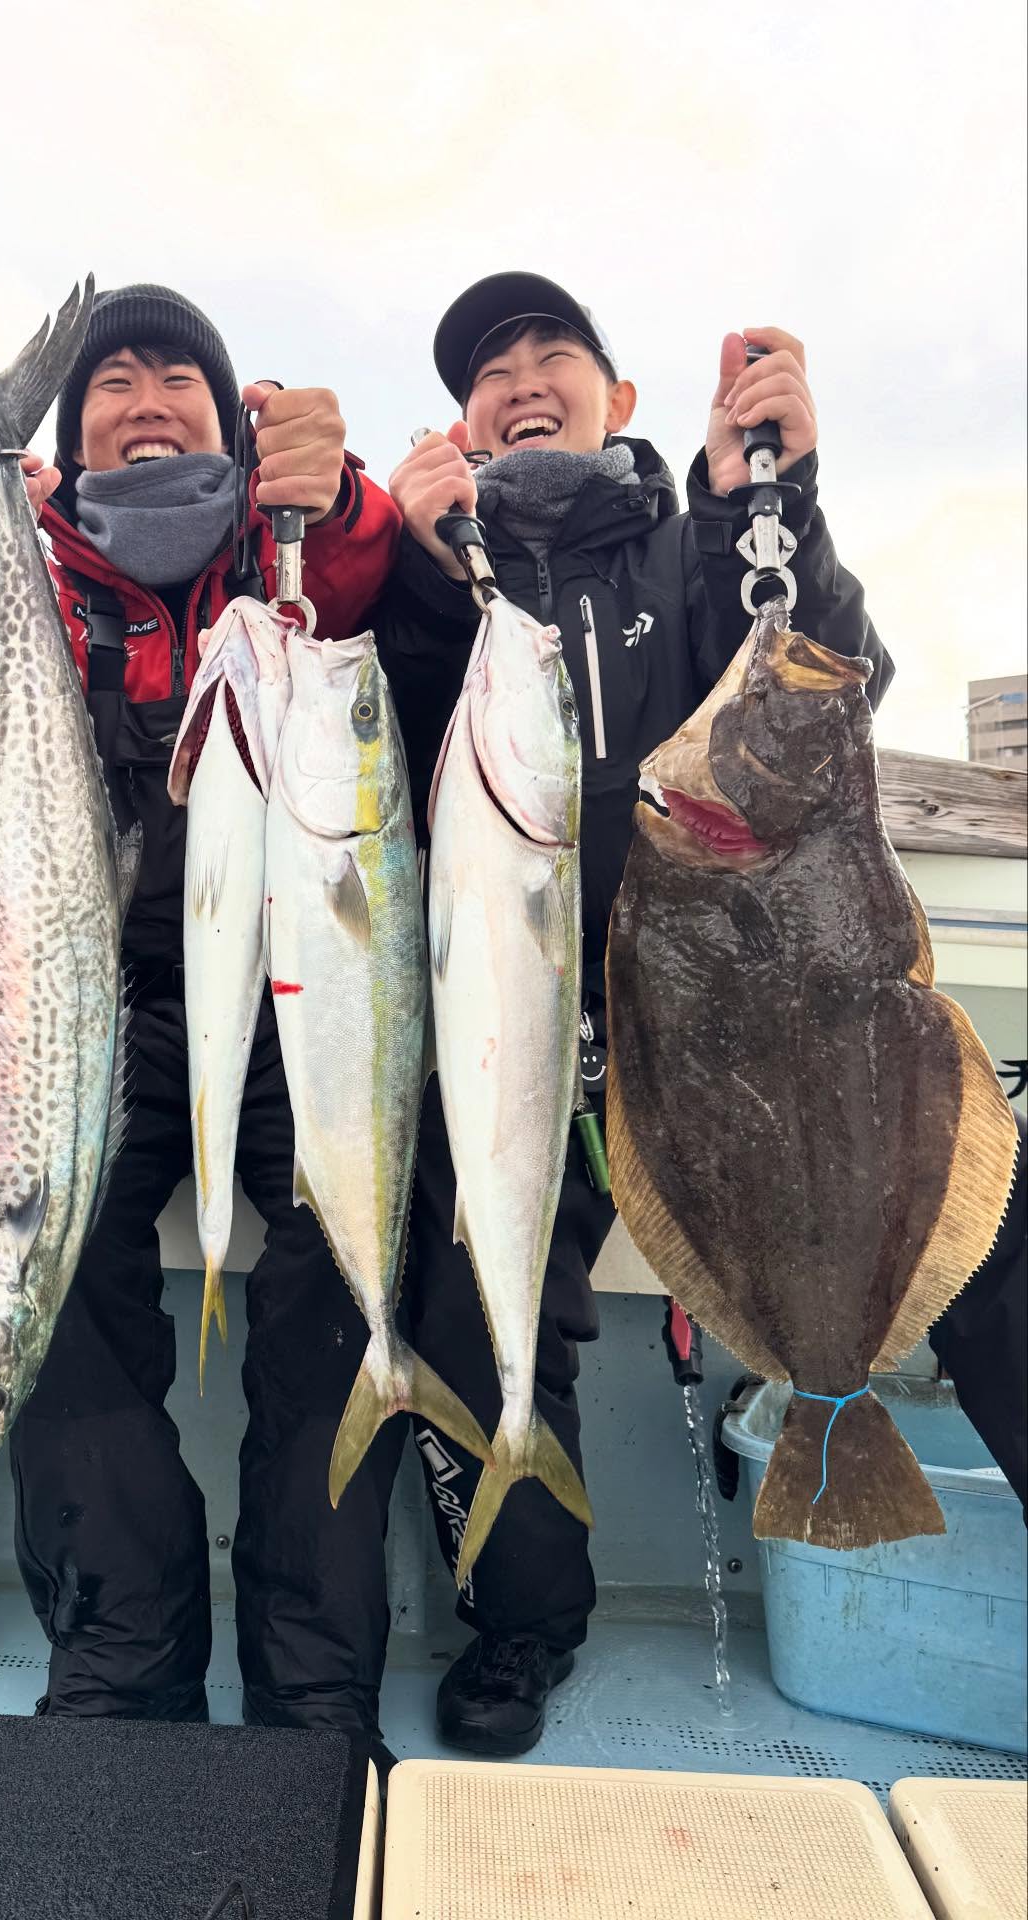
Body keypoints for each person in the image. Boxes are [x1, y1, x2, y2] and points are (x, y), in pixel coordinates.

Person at [371, 270, 1027, 1757]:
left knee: (995, 1228)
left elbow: (827, 681)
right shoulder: (448, 587)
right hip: (529, 1058)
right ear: (463, 426)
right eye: (489, 372)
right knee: (466, 1283)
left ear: (619, 399)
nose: (521, 381)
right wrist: (409, 570)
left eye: (552, 354)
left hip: (730, 1043)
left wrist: (770, 498)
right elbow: (385, 757)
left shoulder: (693, 552)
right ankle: (522, 1620)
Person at [0, 283, 407, 1749]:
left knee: (344, 1262)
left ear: (227, 419)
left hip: (288, 998)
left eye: (176, 376)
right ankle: (126, 1650)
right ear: (76, 439)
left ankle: (315, 1679)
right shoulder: (34, 571)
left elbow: (375, 578)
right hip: (87, 1001)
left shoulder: (291, 545)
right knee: (47, 1280)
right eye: (110, 381)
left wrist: (336, 491)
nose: (144, 400)